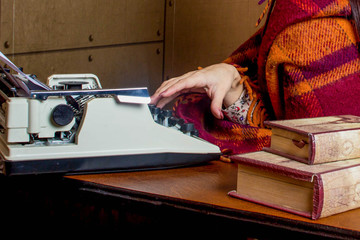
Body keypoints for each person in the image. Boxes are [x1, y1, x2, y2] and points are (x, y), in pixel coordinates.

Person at [150, 0, 360, 155]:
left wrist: (233, 88)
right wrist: (233, 84)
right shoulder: (309, 13)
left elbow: (307, 152)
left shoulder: (310, 31)